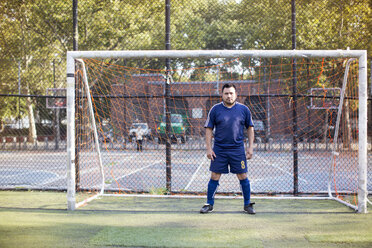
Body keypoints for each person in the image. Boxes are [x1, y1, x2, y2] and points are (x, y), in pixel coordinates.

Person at [200, 83, 255, 214]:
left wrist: (250, 147)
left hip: (237, 150)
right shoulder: (215, 109)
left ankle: (247, 204)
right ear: (222, 95)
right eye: (226, 93)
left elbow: (250, 128)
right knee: (214, 175)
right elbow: (208, 129)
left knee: (243, 175)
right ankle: (209, 204)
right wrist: (209, 149)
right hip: (219, 149)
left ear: (236, 94)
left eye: (231, 93)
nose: (229, 96)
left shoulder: (244, 109)